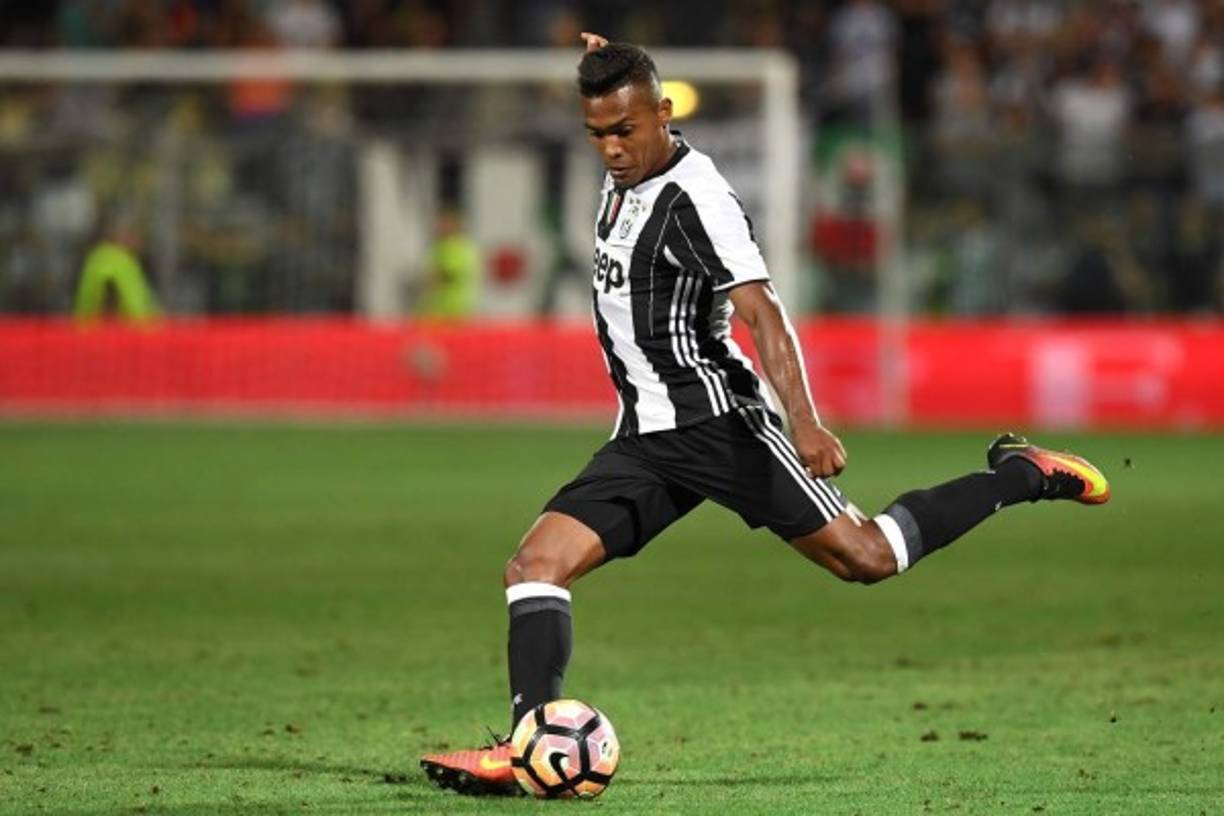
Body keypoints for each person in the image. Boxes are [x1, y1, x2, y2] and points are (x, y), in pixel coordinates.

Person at [420, 34, 1110, 797]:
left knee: (866, 556)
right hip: (646, 435)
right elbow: (624, 104)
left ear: (664, 112)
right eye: (598, 134)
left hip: (721, 426)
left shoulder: (698, 201)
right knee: (534, 568)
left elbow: (764, 313)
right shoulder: (629, 168)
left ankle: (1020, 474)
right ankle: (527, 744)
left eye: (624, 130)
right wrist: (611, 53)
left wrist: (803, 420)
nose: (611, 149)